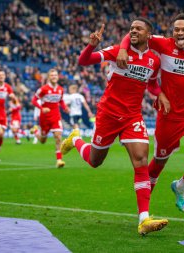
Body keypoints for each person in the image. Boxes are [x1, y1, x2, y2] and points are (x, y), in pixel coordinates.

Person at [61, 18, 170, 235]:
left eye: (139, 28)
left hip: (132, 116)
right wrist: (92, 44)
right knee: (95, 161)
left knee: (140, 160)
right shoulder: (116, 51)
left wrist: (161, 95)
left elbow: (151, 84)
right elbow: (85, 61)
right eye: (131, 28)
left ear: (149, 34)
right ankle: (74, 139)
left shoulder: (153, 61)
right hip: (108, 115)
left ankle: (144, 219)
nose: (133, 31)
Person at [117, 13, 184, 213]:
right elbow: (135, 33)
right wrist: (121, 49)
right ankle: (143, 213)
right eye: (176, 29)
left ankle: (180, 186)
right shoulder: (163, 45)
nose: (180, 32)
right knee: (158, 165)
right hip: (168, 116)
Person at [31, 68, 70, 168]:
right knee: (43, 141)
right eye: (52, 75)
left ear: (58, 77)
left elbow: (61, 101)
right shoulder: (43, 89)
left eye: (55, 75)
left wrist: (65, 108)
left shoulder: (60, 89)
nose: (54, 77)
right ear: (49, 77)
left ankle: (59, 160)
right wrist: (41, 108)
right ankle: (36, 132)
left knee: (58, 137)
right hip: (44, 118)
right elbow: (34, 100)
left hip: (56, 116)